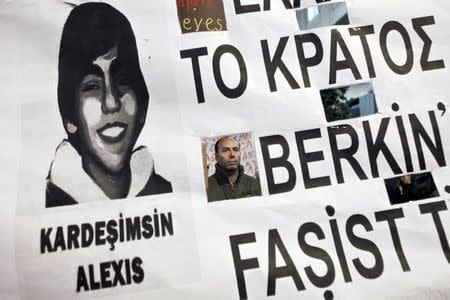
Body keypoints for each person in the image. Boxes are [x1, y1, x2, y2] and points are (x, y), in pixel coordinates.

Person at [46, 2, 172, 208]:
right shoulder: (51, 202)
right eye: (92, 86)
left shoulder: (166, 192)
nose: (111, 102)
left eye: (123, 81)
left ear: (141, 107)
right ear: (70, 118)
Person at [207, 136, 261, 202]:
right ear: (216, 157)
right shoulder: (206, 187)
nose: (232, 155)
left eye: (235, 149)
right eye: (225, 150)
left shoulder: (254, 184)